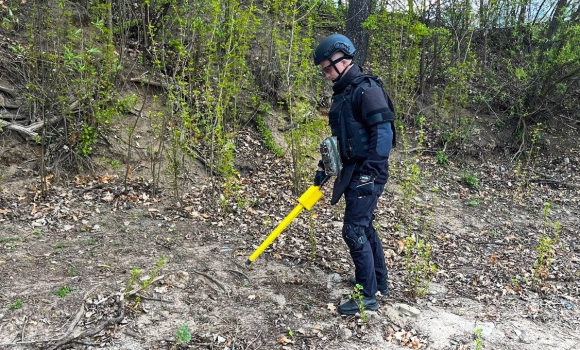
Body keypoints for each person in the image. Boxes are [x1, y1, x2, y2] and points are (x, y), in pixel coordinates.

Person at [312, 34, 396, 315]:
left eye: (327, 67)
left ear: (343, 59)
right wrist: (325, 167)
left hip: (367, 171)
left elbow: (383, 134)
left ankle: (367, 296)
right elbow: (342, 138)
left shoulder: (366, 89)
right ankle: (379, 282)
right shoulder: (344, 92)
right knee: (364, 225)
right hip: (352, 170)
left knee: (354, 229)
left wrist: (370, 173)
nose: (325, 73)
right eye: (323, 68)